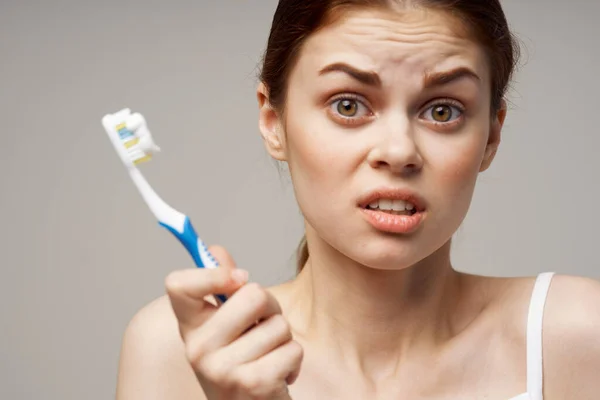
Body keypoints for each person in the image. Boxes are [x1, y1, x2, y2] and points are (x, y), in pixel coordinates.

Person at [115, 1, 600, 399]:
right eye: (348, 105)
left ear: (491, 136)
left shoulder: (577, 334)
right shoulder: (178, 350)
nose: (398, 151)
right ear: (273, 122)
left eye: (443, 110)